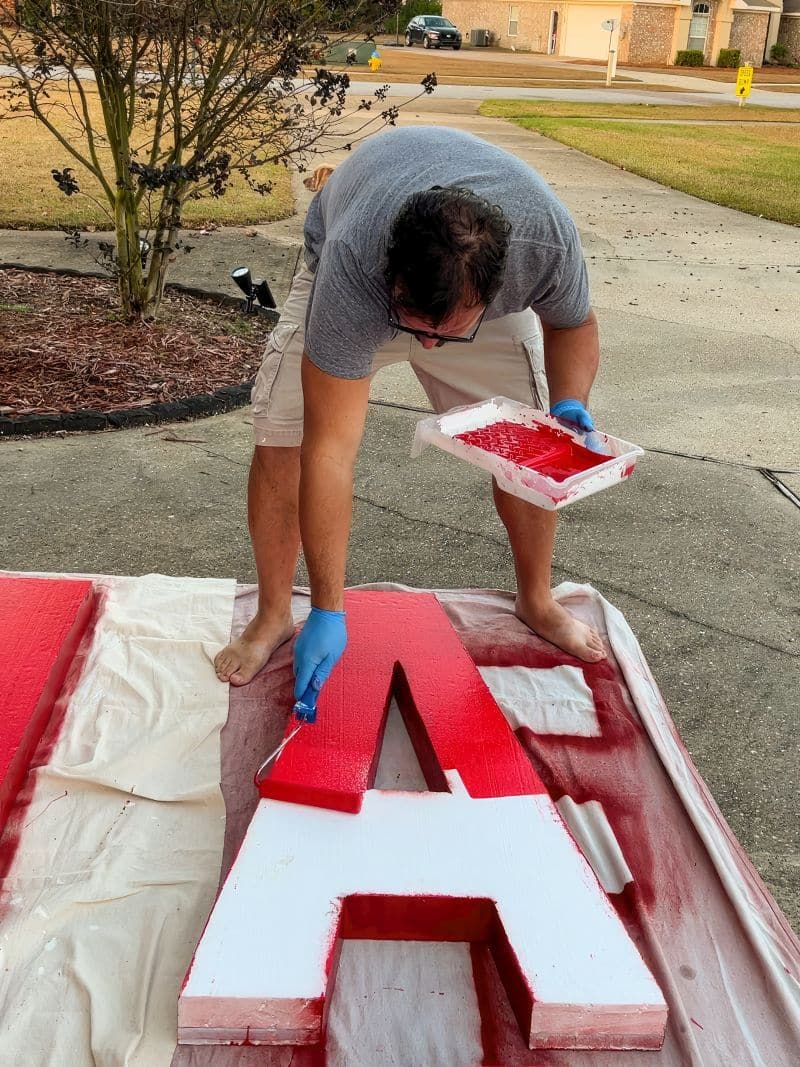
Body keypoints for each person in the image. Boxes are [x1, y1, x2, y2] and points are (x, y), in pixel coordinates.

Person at [214, 126, 606, 702]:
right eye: (413, 326)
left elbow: (573, 323)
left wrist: (572, 402)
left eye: (441, 332)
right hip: (357, 277)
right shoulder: (357, 268)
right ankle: (274, 614)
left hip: (467, 292)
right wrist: (329, 608)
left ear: (493, 293)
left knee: (526, 445)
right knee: (283, 438)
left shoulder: (543, 245)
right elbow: (331, 452)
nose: (426, 348)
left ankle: (537, 599)